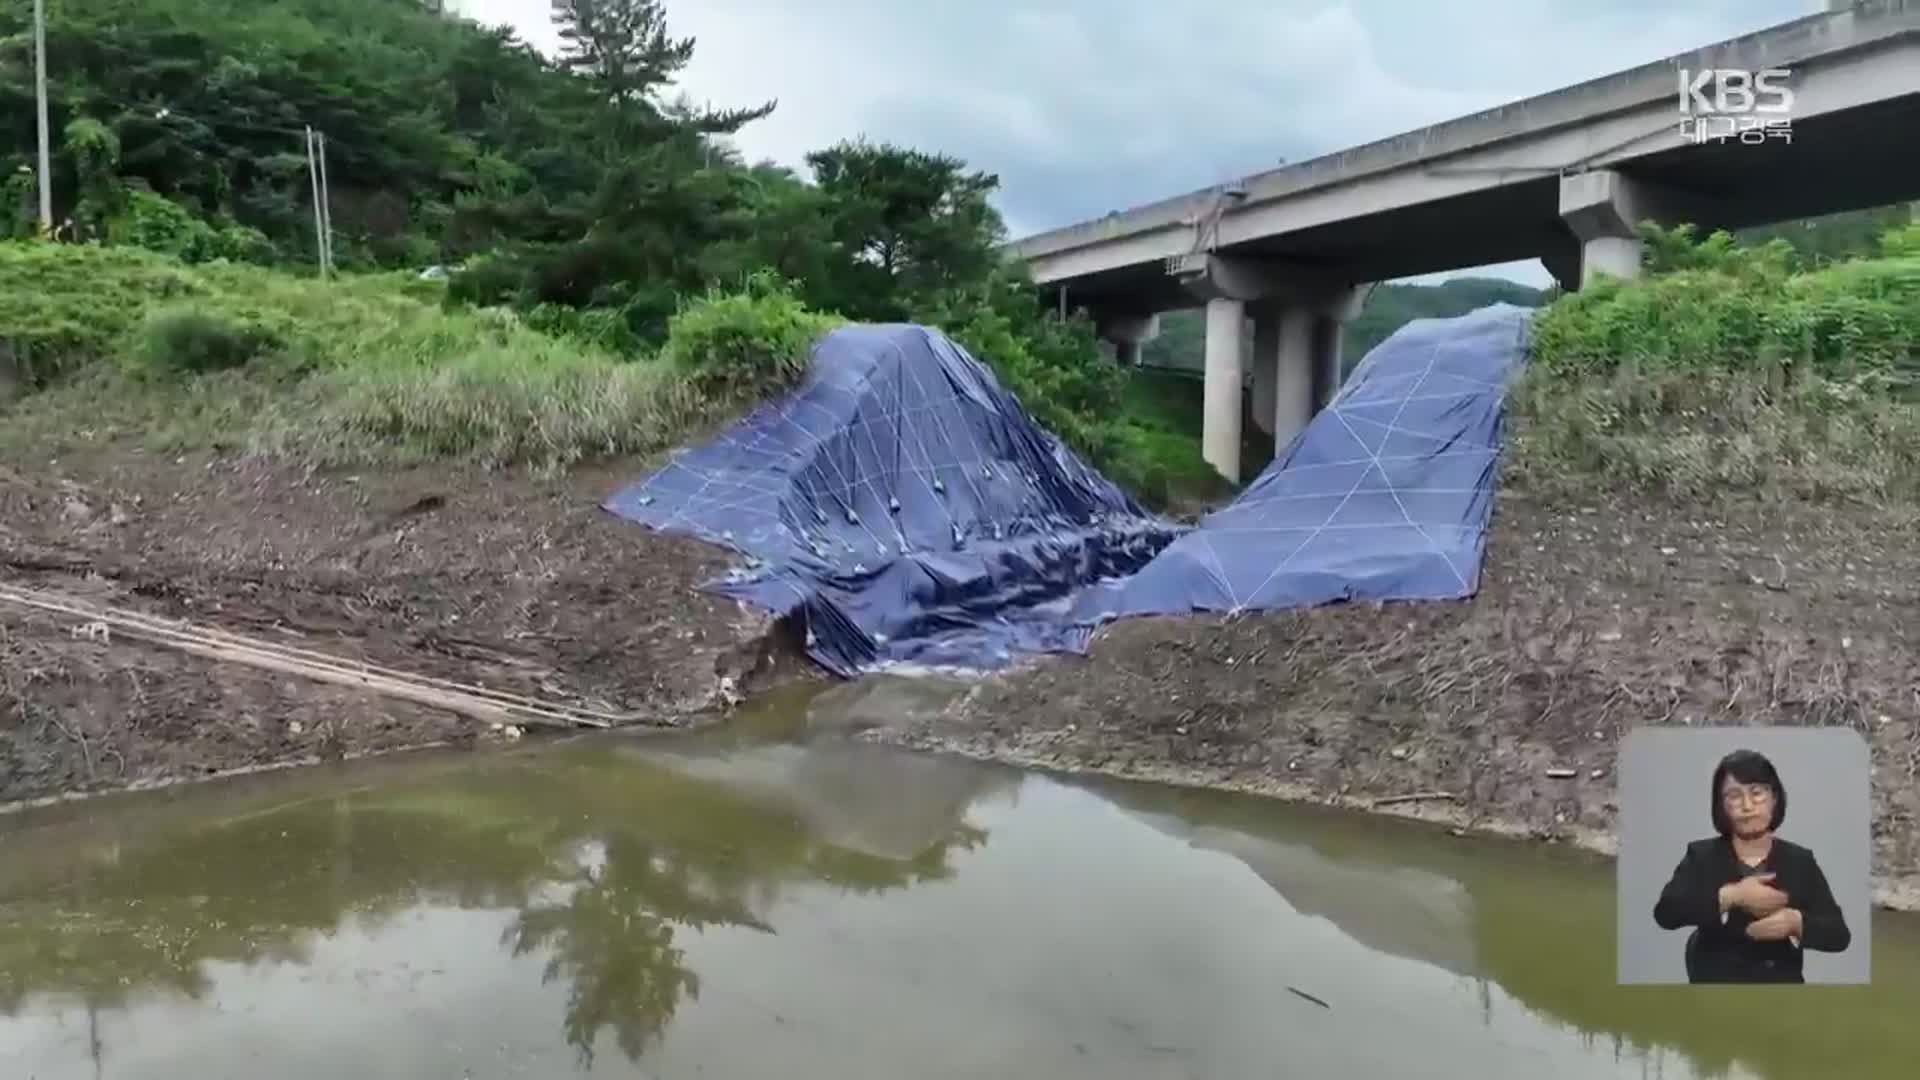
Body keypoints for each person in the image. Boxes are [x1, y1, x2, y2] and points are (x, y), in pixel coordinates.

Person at [1652, 748, 1851, 983]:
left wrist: (1795, 923)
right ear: (1721, 805)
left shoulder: (1800, 861)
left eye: (1757, 793)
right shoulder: (1702, 856)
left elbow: (1839, 935)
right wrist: (1732, 896)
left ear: (1774, 798)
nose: (1747, 806)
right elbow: (1666, 914)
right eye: (1734, 796)